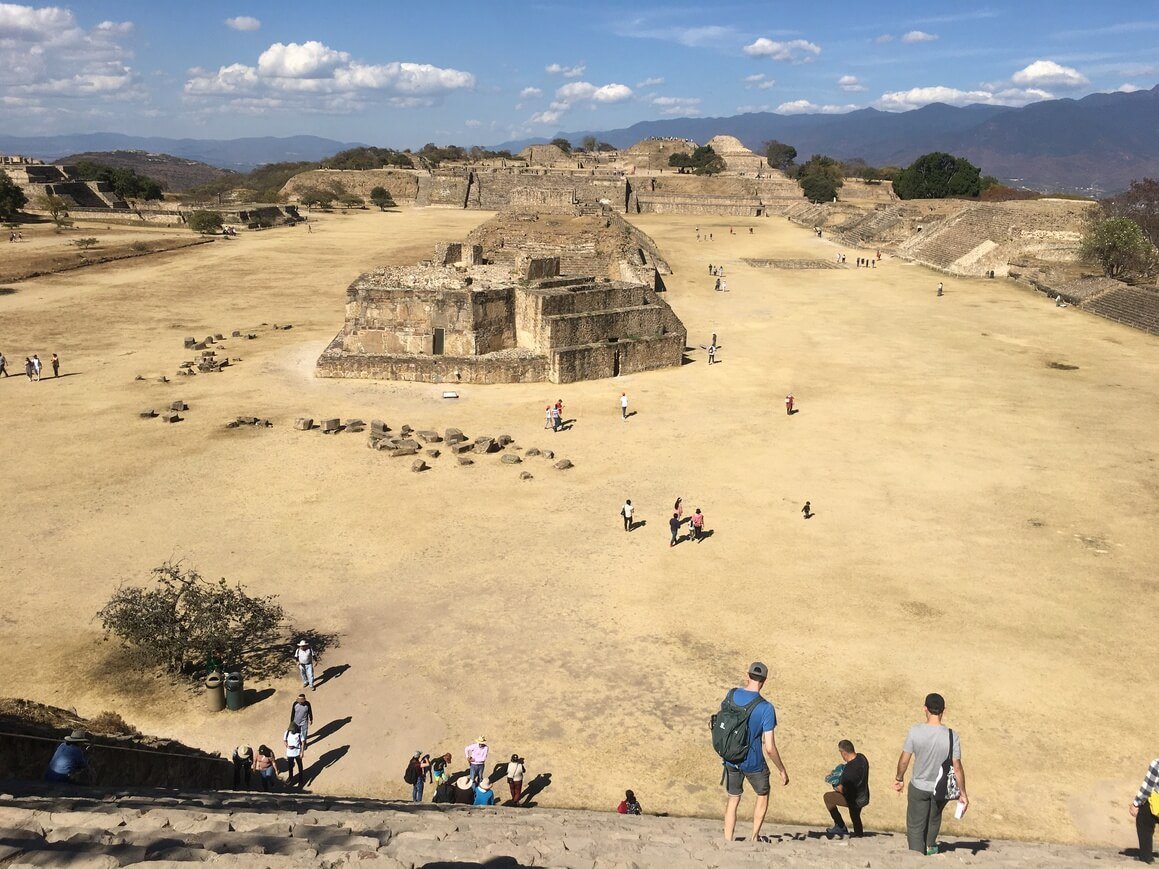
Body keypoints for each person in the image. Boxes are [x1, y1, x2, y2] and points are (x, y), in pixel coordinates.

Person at [720, 662, 789, 843]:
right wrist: (781, 769)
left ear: (747, 675)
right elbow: (769, 747)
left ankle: (728, 839)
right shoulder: (766, 708)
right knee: (763, 793)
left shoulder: (731, 694)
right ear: (764, 681)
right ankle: (754, 837)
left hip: (730, 758)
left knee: (733, 799)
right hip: (753, 761)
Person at [893, 692, 969, 856]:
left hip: (918, 786)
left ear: (925, 709)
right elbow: (957, 767)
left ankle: (916, 856)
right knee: (934, 819)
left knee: (915, 825)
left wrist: (899, 778)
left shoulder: (915, 731)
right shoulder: (952, 736)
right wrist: (963, 793)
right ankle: (930, 849)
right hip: (940, 789)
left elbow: (904, 759)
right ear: (943, 710)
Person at [824, 740, 869, 838]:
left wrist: (834, 784)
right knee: (855, 816)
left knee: (827, 797)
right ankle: (859, 834)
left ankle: (840, 826)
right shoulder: (862, 758)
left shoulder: (849, 770)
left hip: (854, 800)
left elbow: (842, 790)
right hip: (864, 796)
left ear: (844, 753)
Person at [1130, 756, 1159, 864]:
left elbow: (1147, 787)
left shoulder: (1157, 763)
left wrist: (1136, 804)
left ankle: (1146, 857)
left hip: (1156, 806)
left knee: (1144, 821)